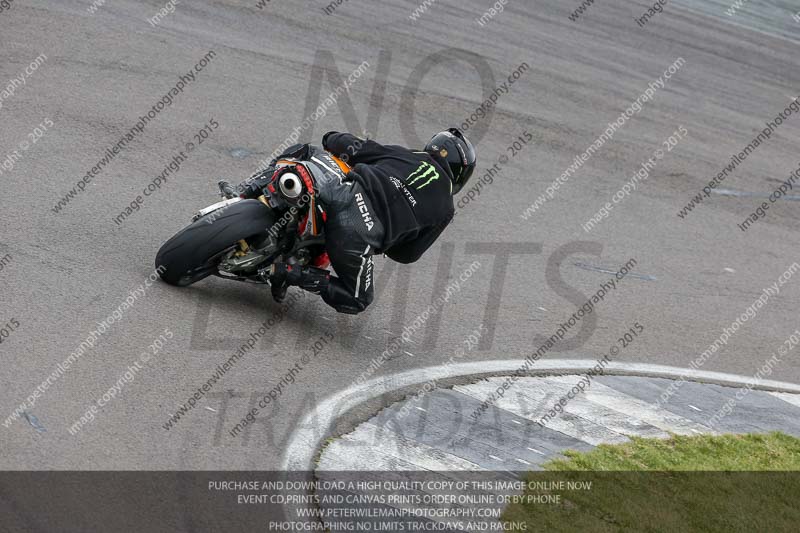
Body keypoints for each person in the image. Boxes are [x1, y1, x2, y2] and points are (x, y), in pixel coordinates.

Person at [237, 128, 476, 314]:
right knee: (358, 299)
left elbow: (354, 147)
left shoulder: (407, 155)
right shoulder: (446, 209)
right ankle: (287, 272)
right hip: (358, 233)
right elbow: (407, 255)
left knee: (304, 151)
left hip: (339, 192)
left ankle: (248, 189)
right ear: (461, 176)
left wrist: (331, 138)